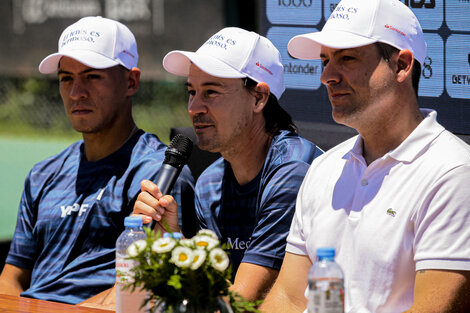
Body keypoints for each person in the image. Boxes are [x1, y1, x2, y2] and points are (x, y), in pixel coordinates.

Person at [261, 0, 470, 312]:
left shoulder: (454, 172)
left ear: (402, 65)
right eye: (325, 61)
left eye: (347, 58)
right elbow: (289, 298)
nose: (327, 76)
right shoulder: (323, 168)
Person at [0, 16, 194, 306]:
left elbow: (145, 290)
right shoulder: (42, 174)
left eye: (92, 76)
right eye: (66, 78)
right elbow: (12, 278)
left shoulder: (160, 175)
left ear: (131, 81)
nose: (77, 92)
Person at [133, 27, 323, 301]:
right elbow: (215, 286)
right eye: (192, 92)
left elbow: (244, 298)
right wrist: (173, 241)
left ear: (259, 98)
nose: (194, 107)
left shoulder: (292, 170)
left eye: (211, 92)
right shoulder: (210, 182)